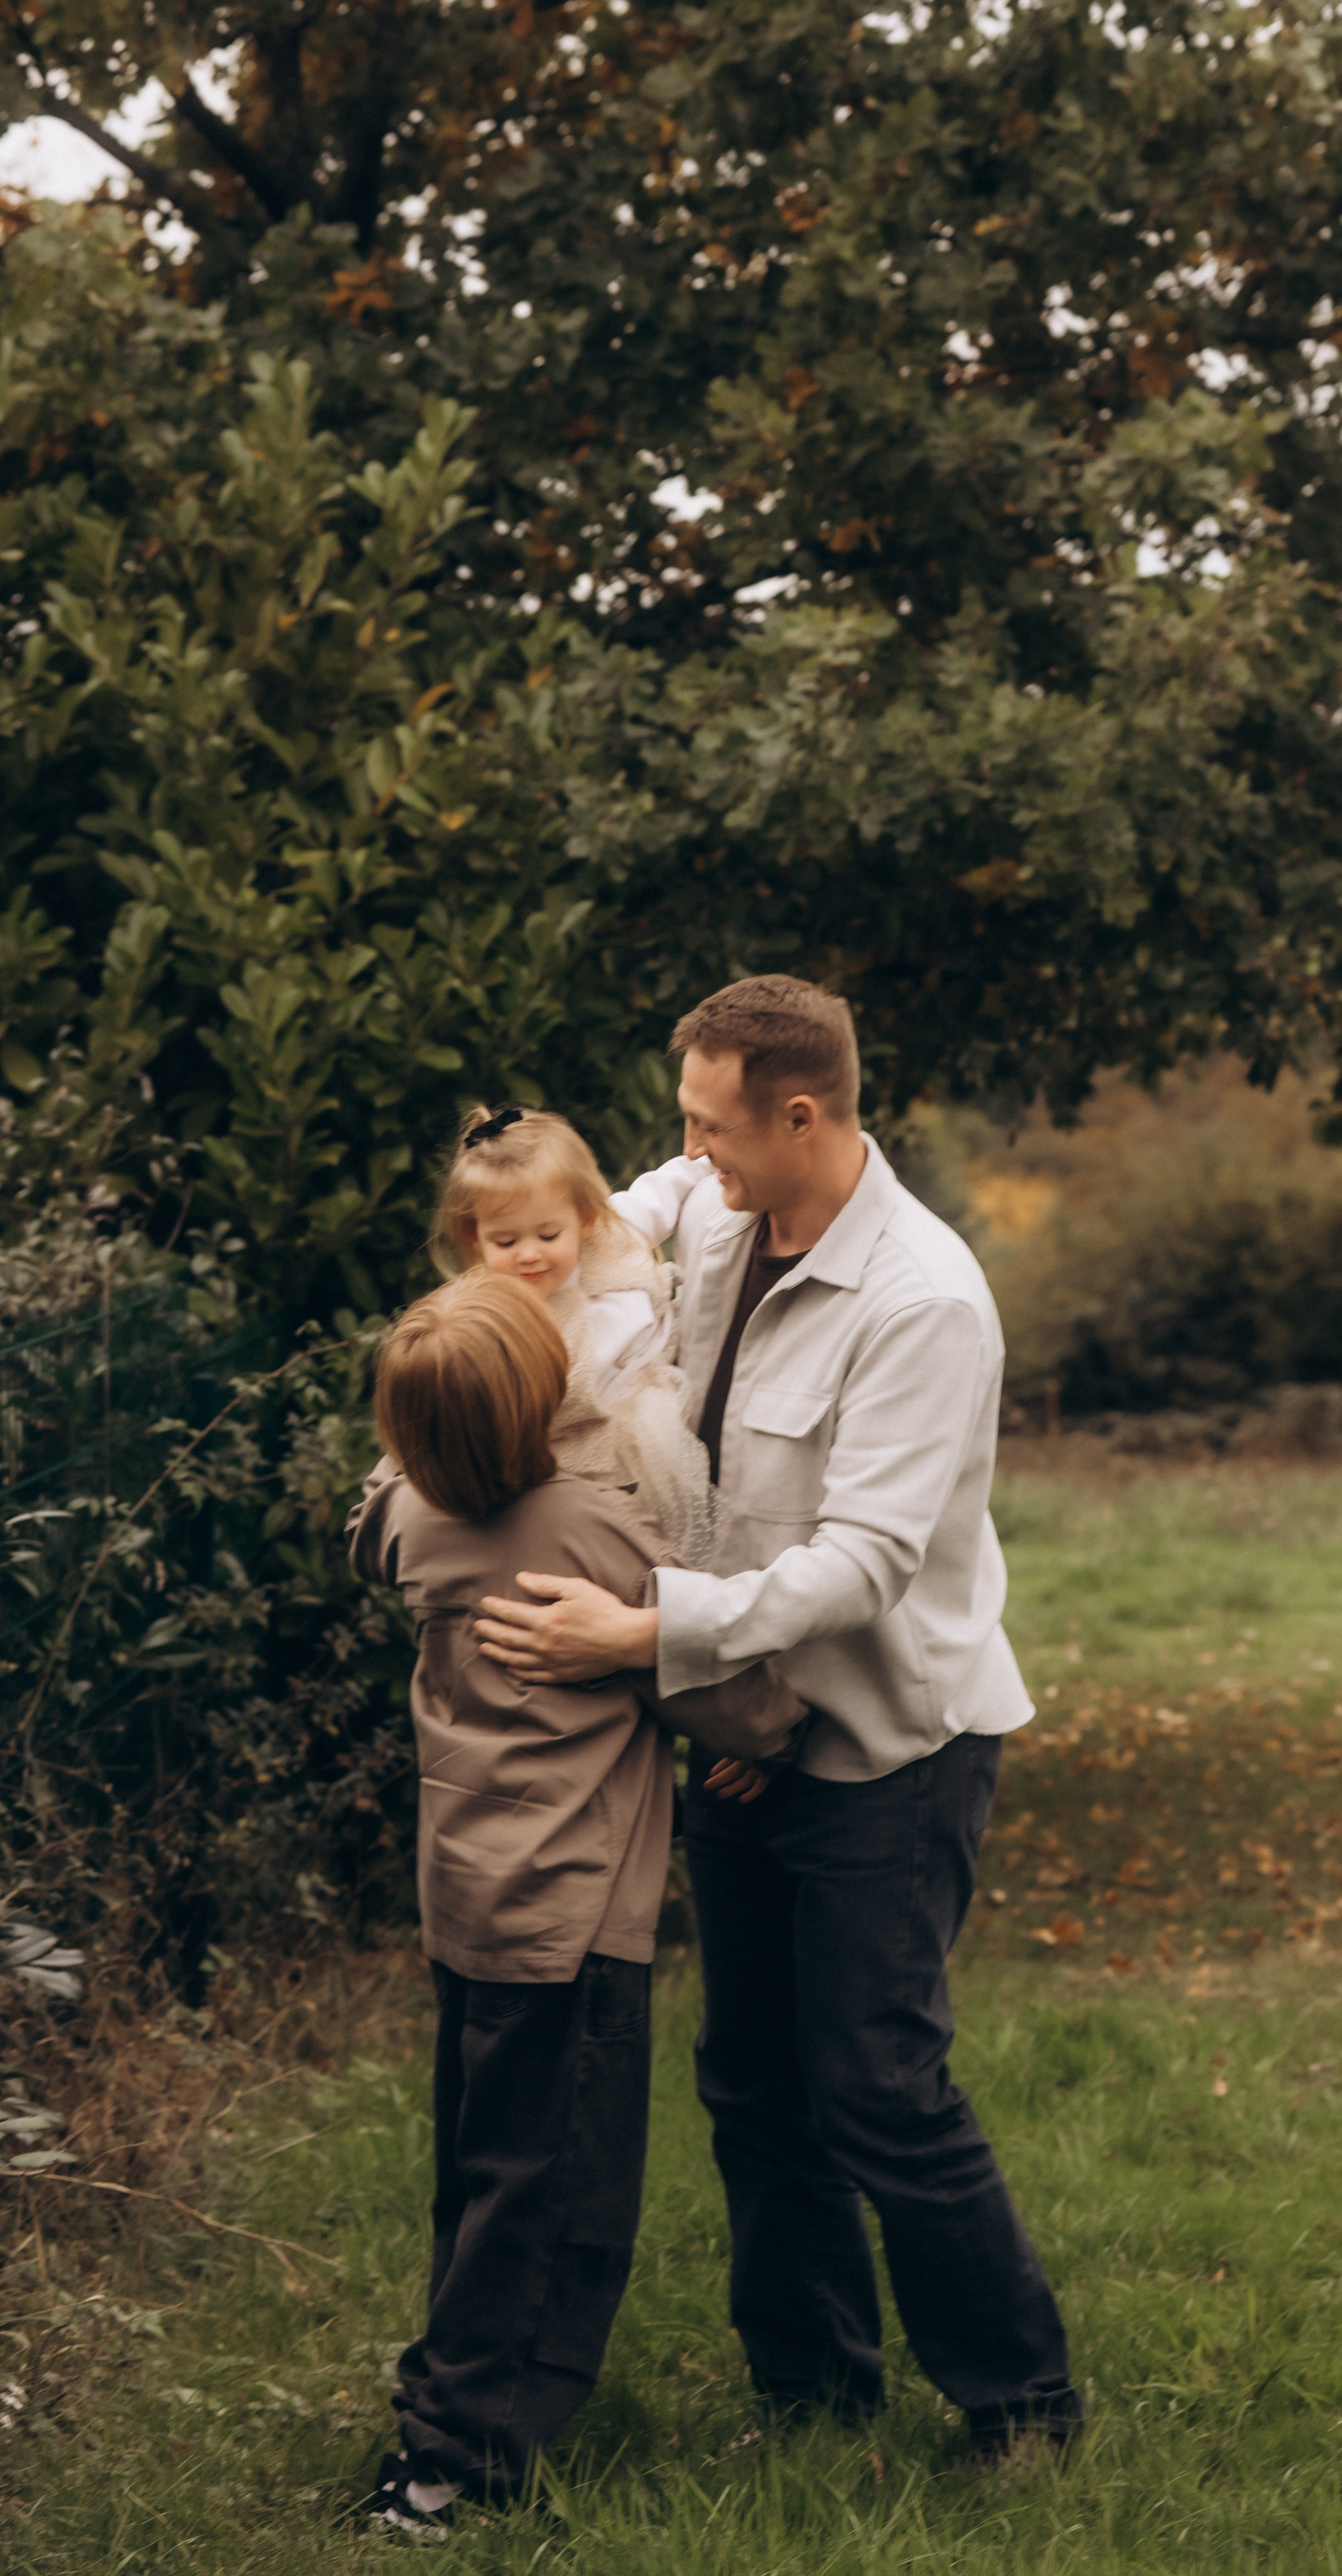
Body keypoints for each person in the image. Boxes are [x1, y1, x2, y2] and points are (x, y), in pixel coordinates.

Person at [472, 975, 1082, 2461]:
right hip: (753, 1727)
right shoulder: (717, 1208)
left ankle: (1022, 2408)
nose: (682, 1153)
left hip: (887, 1747)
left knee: (876, 2086)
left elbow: (864, 1563)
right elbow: (595, 1219)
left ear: (796, 1113)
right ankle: (811, 2399)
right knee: (751, 2083)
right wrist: (510, 1239)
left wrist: (648, 1636)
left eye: (705, 1122)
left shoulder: (921, 1302)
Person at [347, 1269, 801, 2538]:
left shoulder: (411, 1519)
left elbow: (370, 1514)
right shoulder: (589, 1529)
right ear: (545, 1404)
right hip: (576, 1918)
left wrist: (403, 1464)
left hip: (469, 1908)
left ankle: (444, 2398)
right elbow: (710, 1677)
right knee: (553, 2199)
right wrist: (781, 1728)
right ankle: (454, 2467)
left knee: (482, 2170)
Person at [434, 1102, 715, 1563]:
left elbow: (662, 1190)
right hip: (593, 1452)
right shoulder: (494, 1318)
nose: (529, 1255)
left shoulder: (611, 1232)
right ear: (474, 1237)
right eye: (505, 1242)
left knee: (681, 1537)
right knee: (615, 1547)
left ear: (584, 1217)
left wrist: (708, 1164)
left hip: (663, 1400)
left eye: (548, 1235)